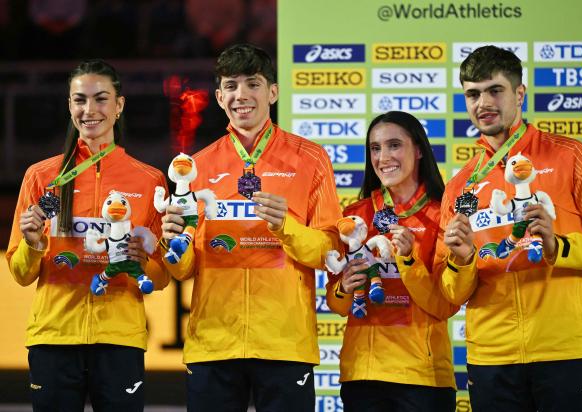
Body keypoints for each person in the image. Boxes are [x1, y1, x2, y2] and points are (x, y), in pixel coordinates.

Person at [438, 45, 582, 412]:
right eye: (473, 93)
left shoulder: (571, 157)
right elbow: (451, 292)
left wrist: (558, 247)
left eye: (495, 90)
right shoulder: (461, 185)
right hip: (491, 358)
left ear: (520, 94)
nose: (484, 102)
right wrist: (462, 261)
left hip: (565, 352)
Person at [159, 43, 342, 411]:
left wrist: (285, 226)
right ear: (219, 96)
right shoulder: (196, 167)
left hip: (284, 343)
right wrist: (173, 244)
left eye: (253, 84)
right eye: (231, 85)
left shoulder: (311, 159)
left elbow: (329, 252)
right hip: (213, 343)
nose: (241, 95)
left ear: (273, 92)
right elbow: (184, 269)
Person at [6, 59, 169, 411]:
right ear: (69, 105)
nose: (89, 109)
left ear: (119, 105)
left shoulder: (149, 180)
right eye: (80, 100)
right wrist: (34, 247)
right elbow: (20, 274)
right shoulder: (41, 176)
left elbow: (161, 278)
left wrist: (142, 262)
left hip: (120, 340)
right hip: (54, 339)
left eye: (101, 99)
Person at [326, 111, 458, 411]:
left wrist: (408, 261)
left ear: (419, 150)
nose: (383, 157)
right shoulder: (355, 214)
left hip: (422, 377)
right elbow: (337, 305)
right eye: (375, 148)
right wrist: (344, 287)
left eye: (394, 145)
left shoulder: (441, 215)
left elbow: (444, 305)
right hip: (363, 374)